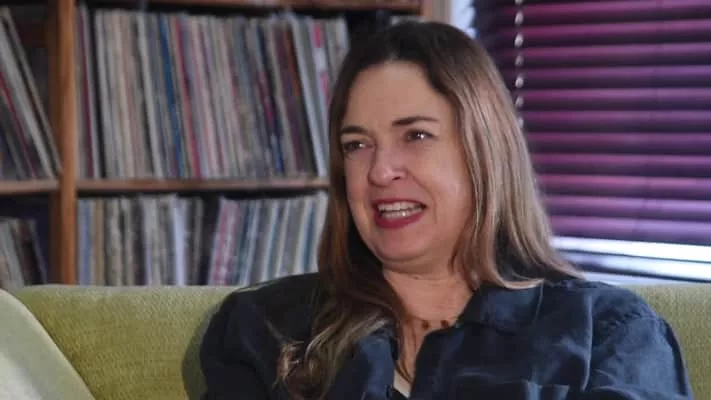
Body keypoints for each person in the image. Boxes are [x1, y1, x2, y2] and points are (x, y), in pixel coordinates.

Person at [199, 21, 693, 400]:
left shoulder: (609, 332)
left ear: (484, 152)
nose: (379, 171)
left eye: (416, 135)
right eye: (356, 145)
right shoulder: (264, 327)